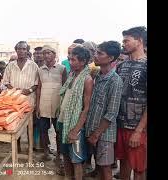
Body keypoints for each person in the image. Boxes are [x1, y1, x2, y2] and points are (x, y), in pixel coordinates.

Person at [85, 41, 123, 180]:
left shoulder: (115, 81)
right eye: (96, 52)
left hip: (104, 134)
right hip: (93, 130)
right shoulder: (97, 76)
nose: (95, 55)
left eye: (100, 53)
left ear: (111, 58)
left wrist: (96, 134)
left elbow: (111, 112)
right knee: (100, 166)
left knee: (106, 168)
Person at [57, 46, 94, 180]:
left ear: (83, 61)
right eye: (69, 59)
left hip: (75, 125)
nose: (70, 62)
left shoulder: (87, 80)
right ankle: (68, 177)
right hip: (64, 121)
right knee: (65, 154)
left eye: (73, 60)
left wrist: (76, 130)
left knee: (76, 159)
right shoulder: (72, 75)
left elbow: (86, 108)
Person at [115, 26, 147, 180]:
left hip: (138, 129)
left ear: (139, 41)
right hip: (120, 125)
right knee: (124, 164)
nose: (124, 44)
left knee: (139, 168)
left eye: (127, 41)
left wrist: (138, 131)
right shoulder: (121, 66)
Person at [2, 41, 39, 152]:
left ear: (27, 51)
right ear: (16, 50)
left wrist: (29, 90)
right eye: (19, 49)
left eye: (23, 49)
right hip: (14, 100)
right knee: (15, 123)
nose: (21, 51)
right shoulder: (11, 65)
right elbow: (6, 81)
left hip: (29, 99)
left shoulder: (33, 65)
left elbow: (37, 83)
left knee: (30, 125)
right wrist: (14, 89)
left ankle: (30, 147)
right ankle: (16, 147)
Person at [36, 45, 67, 162]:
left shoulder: (62, 69)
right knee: (43, 130)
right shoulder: (40, 70)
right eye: (44, 53)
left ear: (54, 54)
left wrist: (63, 105)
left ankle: (59, 153)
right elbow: (39, 88)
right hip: (43, 104)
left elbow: (65, 87)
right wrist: (38, 106)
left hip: (57, 104)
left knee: (58, 130)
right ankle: (45, 151)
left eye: (48, 53)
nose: (46, 55)